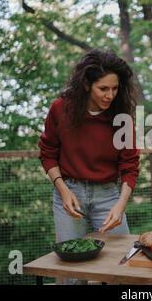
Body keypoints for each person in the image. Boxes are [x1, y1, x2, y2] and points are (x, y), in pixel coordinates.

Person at [38, 48, 139, 248]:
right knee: (72, 268)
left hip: (108, 196)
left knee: (119, 262)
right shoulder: (60, 109)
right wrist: (63, 190)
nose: (110, 95)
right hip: (69, 194)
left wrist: (121, 204)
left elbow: (130, 164)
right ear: (86, 84)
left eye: (115, 88)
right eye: (103, 89)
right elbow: (48, 154)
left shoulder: (122, 117)